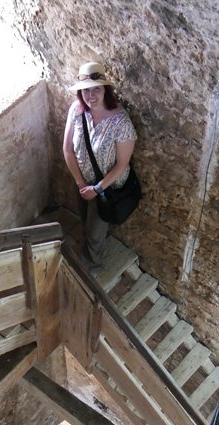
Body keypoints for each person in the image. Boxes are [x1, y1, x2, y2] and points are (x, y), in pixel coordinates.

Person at [63, 61, 137, 274]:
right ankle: (89, 245)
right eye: (85, 90)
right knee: (85, 217)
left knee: (96, 230)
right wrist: (80, 182)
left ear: (106, 90)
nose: (91, 95)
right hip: (81, 178)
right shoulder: (76, 112)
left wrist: (96, 189)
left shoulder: (120, 123)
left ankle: (91, 268)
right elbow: (67, 149)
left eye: (96, 88)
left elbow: (122, 164)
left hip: (106, 185)